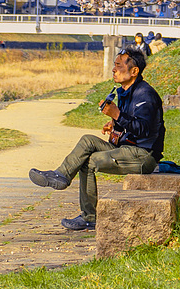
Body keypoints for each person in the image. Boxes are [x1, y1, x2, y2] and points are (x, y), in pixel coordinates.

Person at [28, 46, 165, 232]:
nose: (114, 69)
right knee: (87, 140)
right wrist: (114, 126)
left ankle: (90, 218)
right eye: (114, 65)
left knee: (89, 162)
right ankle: (61, 175)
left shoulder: (145, 95)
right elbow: (129, 124)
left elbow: (144, 130)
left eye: (118, 66)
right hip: (127, 150)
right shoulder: (126, 91)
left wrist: (117, 115)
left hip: (143, 156)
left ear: (134, 71)